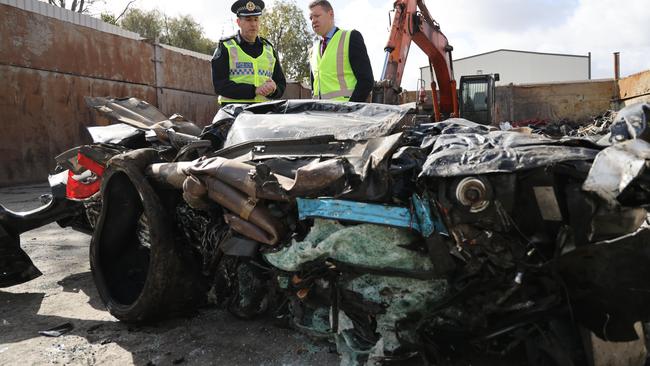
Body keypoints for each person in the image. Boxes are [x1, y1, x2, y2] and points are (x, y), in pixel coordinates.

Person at [211, 0, 286, 105]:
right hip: (233, 112)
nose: (253, 24)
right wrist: (253, 90)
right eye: (248, 20)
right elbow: (220, 85)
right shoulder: (225, 46)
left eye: (256, 19)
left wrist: (274, 89)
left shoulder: (269, 49)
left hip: (263, 112)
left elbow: (281, 83)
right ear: (238, 22)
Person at [308, 0, 373, 102]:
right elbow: (314, 87)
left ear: (331, 14)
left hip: (344, 114)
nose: (313, 21)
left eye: (317, 16)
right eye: (311, 18)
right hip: (319, 113)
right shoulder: (313, 50)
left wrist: (349, 109)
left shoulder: (350, 37)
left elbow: (366, 81)